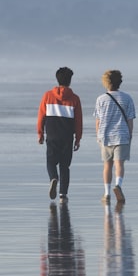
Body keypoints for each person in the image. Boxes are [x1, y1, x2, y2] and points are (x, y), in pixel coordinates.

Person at [37, 67, 83, 202]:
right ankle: (63, 194)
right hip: (67, 137)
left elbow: (41, 116)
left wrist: (40, 133)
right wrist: (78, 138)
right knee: (65, 166)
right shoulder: (75, 99)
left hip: (52, 135)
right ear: (70, 81)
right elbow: (78, 121)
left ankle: (53, 178)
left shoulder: (47, 96)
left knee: (50, 162)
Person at [94, 69, 136, 204]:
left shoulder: (101, 99)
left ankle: (106, 193)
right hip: (122, 135)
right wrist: (130, 134)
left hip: (105, 136)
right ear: (120, 82)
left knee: (107, 166)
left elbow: (98, 121)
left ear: (106, 83)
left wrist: (98, 136)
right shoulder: (127, 98)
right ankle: (118, 185)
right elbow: (130, 119)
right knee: (119, 164)